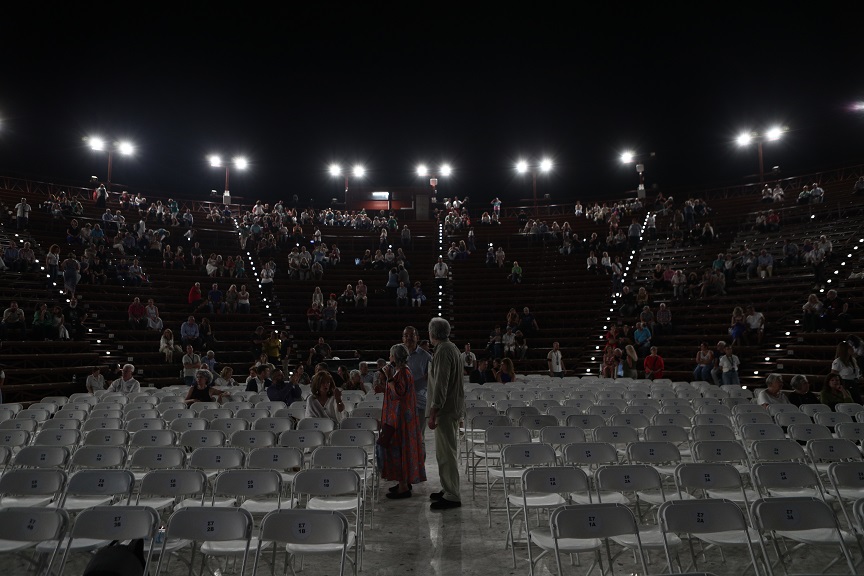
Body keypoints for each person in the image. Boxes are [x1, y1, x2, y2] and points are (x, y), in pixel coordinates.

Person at [427, 317, 464, 510]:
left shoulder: (443, 351)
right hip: (452, 407)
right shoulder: (453, 348)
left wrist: (434, 410)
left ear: (432, 333)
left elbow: (441, 384)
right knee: (446, 451)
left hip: (445, 409)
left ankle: (452, 494)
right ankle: (447, 486)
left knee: (446, 453)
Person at [380, 343, 427, 499]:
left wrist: (389, 378)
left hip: (401, 420)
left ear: (395, 357)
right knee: (399, 449)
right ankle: (403, 482)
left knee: (400, 450)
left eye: (391, 354)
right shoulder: (402, 372)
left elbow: (398, 394)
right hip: (399, 418)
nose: (389, 357)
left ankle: (403, 487)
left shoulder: (403, 373)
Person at [403, 326, 432, 434]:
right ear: (402, 338)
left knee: (419, 437)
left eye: (412, 335)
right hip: (402, 403)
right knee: (404, 437)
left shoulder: (426, 357)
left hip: (419, 401)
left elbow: (431, 378)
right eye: (406, 335)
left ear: (417, 337)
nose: (409, 338)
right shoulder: (398, 353)